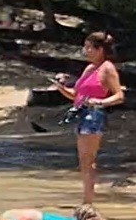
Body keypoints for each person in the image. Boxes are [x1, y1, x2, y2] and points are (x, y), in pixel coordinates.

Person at [53, 31, 125, 205]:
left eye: (88, 48)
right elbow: (77, 95)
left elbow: (119, 95)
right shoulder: (90, 68)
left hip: (93, 115)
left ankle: (88, 203)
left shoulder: (107, 68)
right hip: (82, 113)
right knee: (84, 161)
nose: (85, 51)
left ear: (99, 49)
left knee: (88, 160)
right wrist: (61, 88)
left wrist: (99, 102)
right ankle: (87, 200)